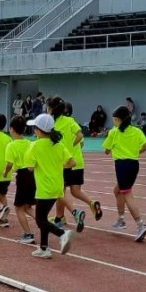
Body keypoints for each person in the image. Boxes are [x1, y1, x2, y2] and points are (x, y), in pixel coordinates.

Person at [24, 113, 75, 259]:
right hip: (57, 187)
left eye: (35, 128)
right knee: (44, 218)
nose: (34, 130)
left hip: (44, 188)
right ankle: (44, 248)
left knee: (40, 220)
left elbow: (30, 168)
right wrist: (57, 166)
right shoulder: (59, 145)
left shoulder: (35, 145)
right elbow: (72, 162)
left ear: (39, 131)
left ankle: (63, 234)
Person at [50, 97, 101, 231]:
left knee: (60, 191)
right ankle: (91, 203)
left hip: (65, 162)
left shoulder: (54, 124)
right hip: (78, 161)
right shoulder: (71, 122)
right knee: (75, 191)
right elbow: (81, 140)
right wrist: (73, 146)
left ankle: (64, 216)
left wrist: (67, 147)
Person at [103, 105, 146, 242]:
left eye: (115, 119)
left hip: (122, 165)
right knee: (117, 191)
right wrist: (137, 152)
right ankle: (121, 219)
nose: (114, 122)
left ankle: (140, 224)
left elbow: (106, 150)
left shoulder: (114, 132)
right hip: (134, 164)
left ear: (119, 120)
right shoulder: (136, 131)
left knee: (127, 194)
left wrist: (113, 145)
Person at [3, 115, 36, 243]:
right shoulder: (30, 143)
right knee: (27, 207)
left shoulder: (11, 145)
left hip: (22, 176)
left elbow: (9, 164)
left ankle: (28, 234)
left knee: (18, 208)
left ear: (11, 129)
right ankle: (46, 223)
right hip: (32, 175)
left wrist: (5, 173)